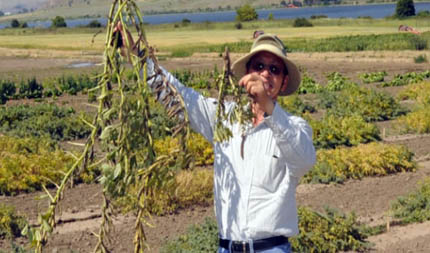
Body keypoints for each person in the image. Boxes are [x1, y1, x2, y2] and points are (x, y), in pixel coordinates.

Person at [116, 29, 316, 252]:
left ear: (284, 81)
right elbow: (178, 96)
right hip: (227, 247)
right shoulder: (224, 117)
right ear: (247, 73)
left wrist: (267, 106)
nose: (265, 74)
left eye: (274, 69)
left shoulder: (295, 127)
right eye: (259, 66)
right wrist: (136, 54)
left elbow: (304, 160)